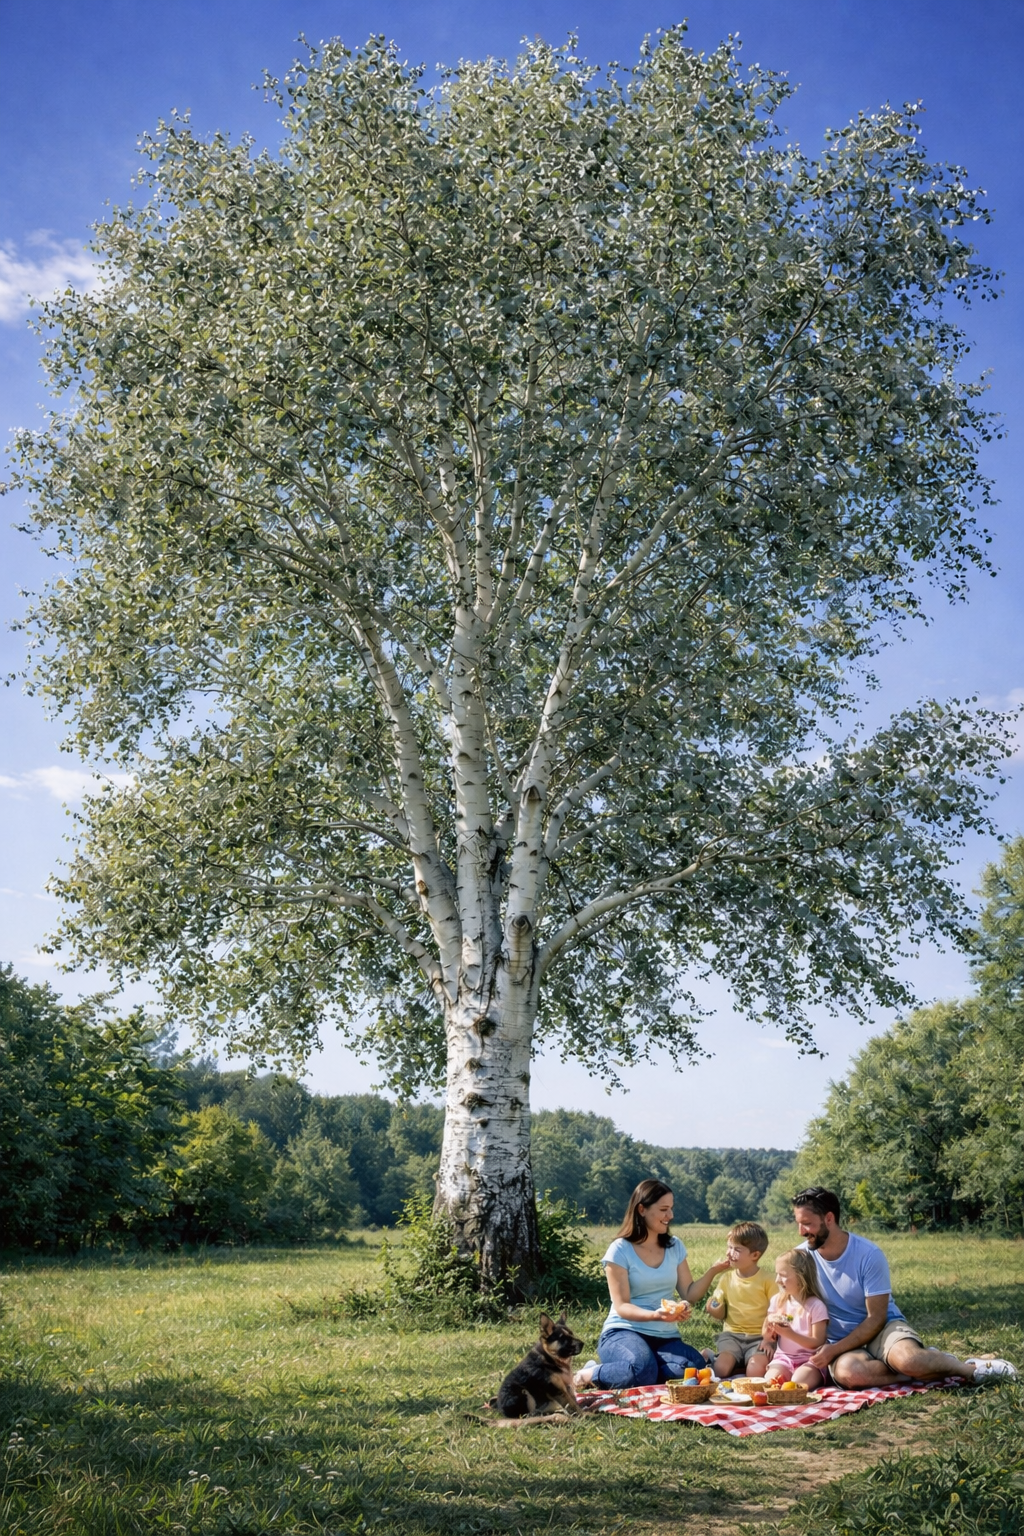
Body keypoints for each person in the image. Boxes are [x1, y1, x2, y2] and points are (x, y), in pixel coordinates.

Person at [791, 1187, 1018, 1387]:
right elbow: (788, 1305)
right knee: (849, 1374)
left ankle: (971, 1370)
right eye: (798, 1223)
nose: (801, 1231)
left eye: (807, 1223)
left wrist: (833, 1351)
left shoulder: (868, 1254)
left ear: (829, 1218)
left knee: (909, 1360)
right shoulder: (801, 1257)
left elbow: (876, 1318)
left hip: (881, 1328)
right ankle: (924, 1369)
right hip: (841, 1342)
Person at [573, 1179, 730, 1390]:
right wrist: (656, 1315)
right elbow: (622, 1306)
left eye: (671, 1209)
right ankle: (589, 1373)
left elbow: (689, 1294)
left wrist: (713, 1271)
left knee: (694, 1367)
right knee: (643, 1370)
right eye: (664, 1209)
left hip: (664, 1337)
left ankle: (635, 1369)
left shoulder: (674, 1247)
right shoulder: (620, 1250)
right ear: (642, 1209)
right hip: (623, 1332)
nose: (671, 1216)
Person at [705, 1220, 777, 1378]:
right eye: (729, 1247)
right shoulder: (726, 1279)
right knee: (721, 1370)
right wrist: (713, 1307)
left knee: (755, 1372)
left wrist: (770, 1340)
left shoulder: (768, 1280)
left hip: (759, 1337)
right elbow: (718, 1311)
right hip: (732, 1336)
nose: (729, 1253)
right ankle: (712, 1356)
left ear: (755, 1255)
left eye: (737, 1249)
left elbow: (777, 1312)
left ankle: (743, 1361)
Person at [762, 1247, 829, 1389]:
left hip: (810, 1360)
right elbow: (768, 1336)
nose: (777, 1280)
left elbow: (817, 1342)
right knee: (769, 1383)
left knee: (797, 1383)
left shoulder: (816, 1306)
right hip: (784, 1358)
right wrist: (769, 1334)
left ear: (801, 1276)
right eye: (777, 1274)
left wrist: (789, 1334)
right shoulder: (777, 1301)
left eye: (783, 1275)